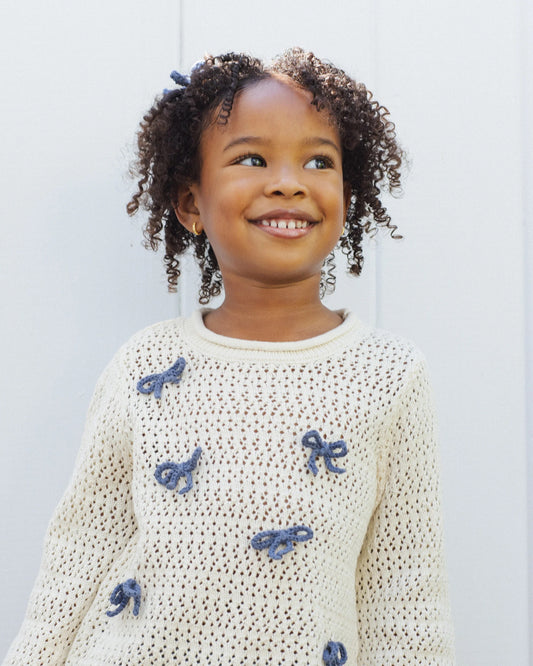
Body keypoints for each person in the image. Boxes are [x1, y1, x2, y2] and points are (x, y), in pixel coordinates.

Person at [3, 48, 455, 665]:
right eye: (252, 159)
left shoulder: (389, 376)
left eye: (318, 161)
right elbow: (79, 551)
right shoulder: (143, 365)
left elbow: (406, 595)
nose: (289, 181)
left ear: (347, 197)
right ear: (191, 204)